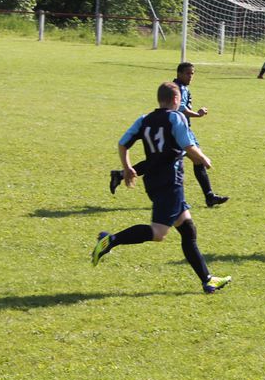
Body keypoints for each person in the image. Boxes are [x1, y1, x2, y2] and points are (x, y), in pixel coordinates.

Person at [91, 81, 232, 294]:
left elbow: (122, 143)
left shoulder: (144, 120)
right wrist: (204, 158)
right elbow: (188, 146)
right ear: (176, 100)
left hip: (153, 182)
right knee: (159, 233)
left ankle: (207, 280)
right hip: (170, 182)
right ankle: (110, 240)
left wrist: (127, 168)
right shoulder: (176, 117)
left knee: (187, 229)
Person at [110, 62, 229, 208]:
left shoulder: (182, 88)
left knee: (167, 161)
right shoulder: (176, 89)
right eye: (187, 73)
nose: (190, 76)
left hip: (182, 129)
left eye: (192, 73)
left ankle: (208, 196)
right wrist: (197, 114)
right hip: (175, 130)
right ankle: (191, 198)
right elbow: (181, 109)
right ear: (179, 74)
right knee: (167, 162)